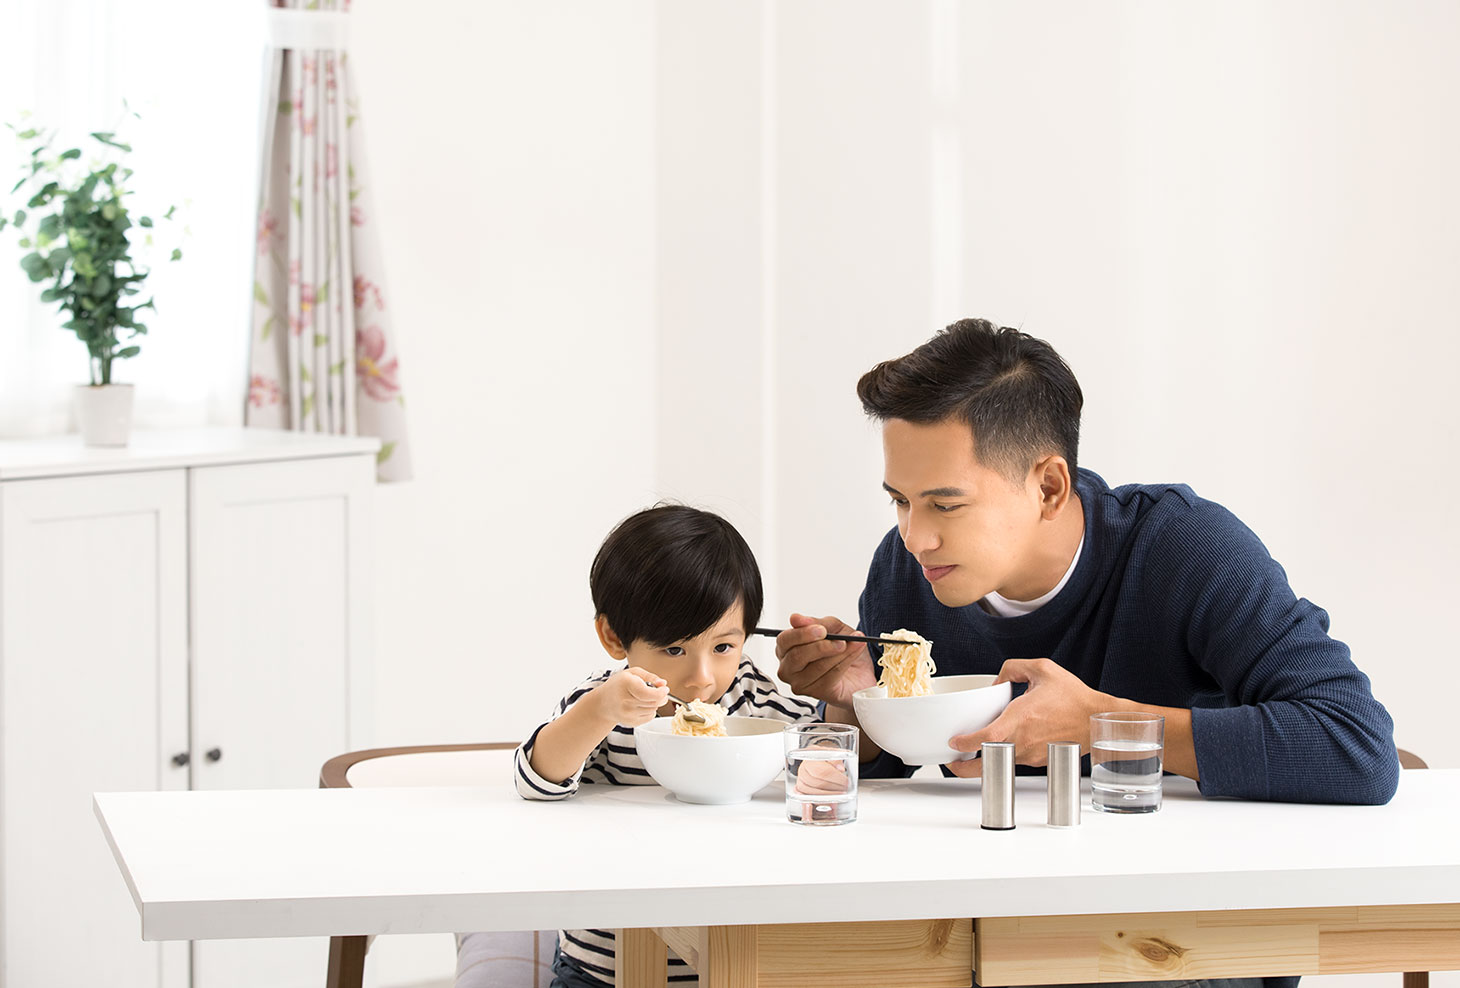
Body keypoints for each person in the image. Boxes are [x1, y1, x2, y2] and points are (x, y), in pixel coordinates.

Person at [776, 317, 1399, 808]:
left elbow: (1356, 746)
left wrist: (1105, 724)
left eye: (945, 504)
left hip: (1182, 923)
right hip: (995, 905)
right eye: (901, 502)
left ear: (1048, 486)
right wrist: (857, 706)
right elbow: (902, 784)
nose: (916, 538)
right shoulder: (905, 570)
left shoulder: (1185, 549)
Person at [493, 503, 821, 988]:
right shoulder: (605, 704)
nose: (702, 678)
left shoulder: (749, 695)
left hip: (730, 962)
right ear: (613, 636)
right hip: (606, 965)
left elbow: (821, 747)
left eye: (724, 647)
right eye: (674, 650)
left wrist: (847, 697)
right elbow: (537, 779)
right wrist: (598, 711)